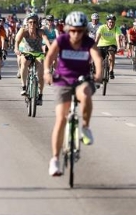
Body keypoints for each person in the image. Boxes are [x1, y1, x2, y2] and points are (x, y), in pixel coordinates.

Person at [43, 11, 103, 176]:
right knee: (61, 118)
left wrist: (98, 74)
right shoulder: (62, 40)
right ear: (68, 29)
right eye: (73, 30)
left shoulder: (88, 42)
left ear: (84, 30)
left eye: (80, 31)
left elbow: (97, 58)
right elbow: (49, 56)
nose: (76, 34)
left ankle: (85, 127)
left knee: (85, 93)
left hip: (81, 79)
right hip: (62, 80)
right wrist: (47, 72)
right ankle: (55, 160)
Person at [14, 13, 51, 101]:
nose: (32, 24)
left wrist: (51, 51)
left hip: (38, 53)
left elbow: (47, 41)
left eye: (35, 22)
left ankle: (40, 94)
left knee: (41, 73)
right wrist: (16, 49)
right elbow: (17, 41)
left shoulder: (40, 32)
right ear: (27, 23)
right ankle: (24, 87)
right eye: (30, 22)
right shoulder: (24, 31)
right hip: (27, 52)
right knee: (24, 62)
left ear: (37, 23)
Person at [95, 14, 120, 79]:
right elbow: (97, 37)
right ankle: (98, 74)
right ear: (107, 22)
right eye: (110, 22)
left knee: (111, 54)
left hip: (112, 45)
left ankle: (111, 70)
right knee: (98, 59)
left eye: (113, 22)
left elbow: (118, 38)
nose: (111, 24)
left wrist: (119, 47)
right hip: (101, 45)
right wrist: (94, 46)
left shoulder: (117, 28)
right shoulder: (102, 27)